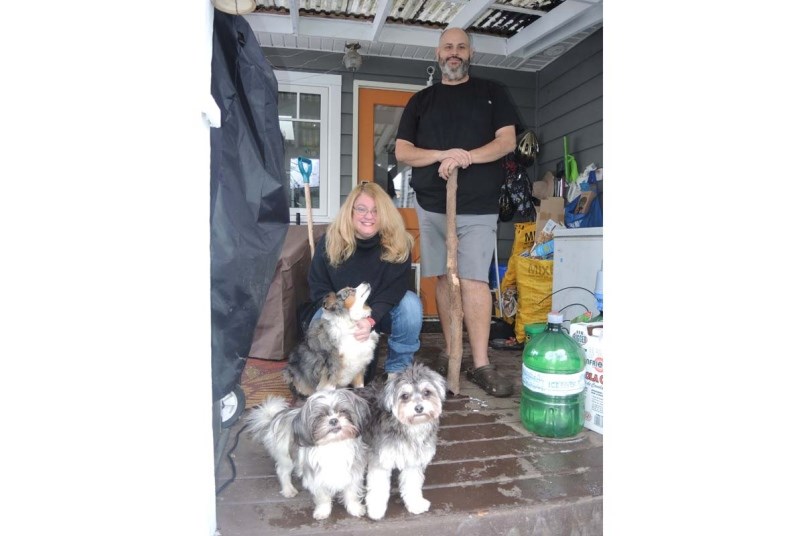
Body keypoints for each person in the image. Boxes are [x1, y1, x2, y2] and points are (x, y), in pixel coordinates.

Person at [394, 27, 518, 397]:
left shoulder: (493, 94)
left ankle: (480, 363)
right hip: (432, 205)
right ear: (438, 54)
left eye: (461, 47)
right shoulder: (421, 101)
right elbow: (403, 151)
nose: (454, 52)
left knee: (475, 280)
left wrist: (466, 156)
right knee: (445, 280)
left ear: (471, 54)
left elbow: (506, 142)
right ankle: (451, 352)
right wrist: (441, 155)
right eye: (448, 47)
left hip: (478, 205)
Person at [308, 182, 422, 382]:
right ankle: (327, 376)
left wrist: (370, 320)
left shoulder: (398, 242)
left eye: (376, 211)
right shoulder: (330, 240)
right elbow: (319, 286)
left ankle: (398, 372)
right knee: (316, 323)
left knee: (411, 305)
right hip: (340, 312)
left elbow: (394, 290)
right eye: (361, 209)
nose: (369, 216)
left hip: (380, 313)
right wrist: (342, 318)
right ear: (350, 211)